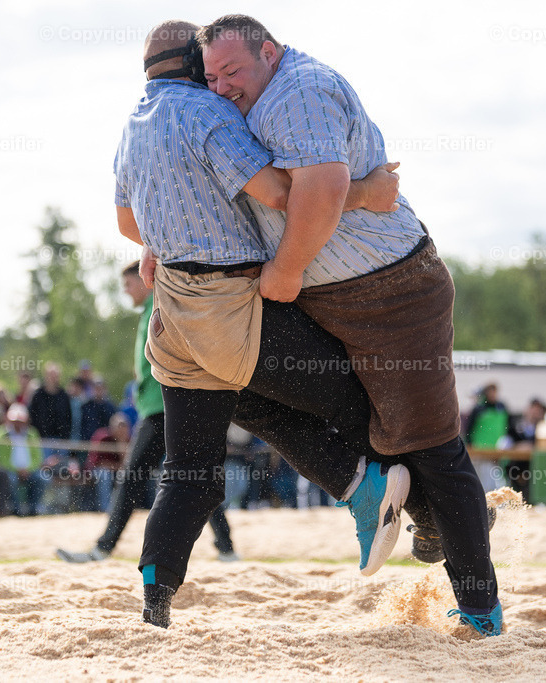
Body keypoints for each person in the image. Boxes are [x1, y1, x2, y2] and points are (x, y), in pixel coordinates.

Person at [199, 15, 501, 635]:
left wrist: (286, 270)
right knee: (236, 379)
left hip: (393, 295)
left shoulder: (298, 90)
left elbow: (323, 187)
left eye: (232, 71)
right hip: (323, 300)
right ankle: (408, 504)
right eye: (211, 77)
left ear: (269, 52)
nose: (222, 86)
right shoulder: (239, 104)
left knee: (431, 447)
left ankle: (480, 610)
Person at [115, 21, 416, 629]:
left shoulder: (134, 124)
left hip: (172, 315)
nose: (220, 83)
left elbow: (127, 223)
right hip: (227, 305)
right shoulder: (205, 112)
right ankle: (437, 518)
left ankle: (154, 600)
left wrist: (170, 229)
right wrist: (366, 190)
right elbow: (279, 192)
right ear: (195, 66)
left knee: (191, 470)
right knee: (351, 393)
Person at [56, 263, 240, 563]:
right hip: (163, 405)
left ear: (145, 280)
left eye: (128, 284)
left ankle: (103, 548)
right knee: (194, 476)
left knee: (134, 478)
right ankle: (227, 548)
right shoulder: (150, 309)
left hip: (161, 406)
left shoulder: (161, 301)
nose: (125, 290)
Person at [0, 403, 46, 516]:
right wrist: (17, 470)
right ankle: (16, 509)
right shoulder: (1, 433)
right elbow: (1, 458)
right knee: (11, 479)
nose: (17, 423)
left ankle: (33, 509)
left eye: (20, 421)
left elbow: (38, 457)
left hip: (30, 470)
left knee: (43, 478)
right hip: (9, 470)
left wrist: (28, 469)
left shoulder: (32, 433)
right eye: (15, 420)